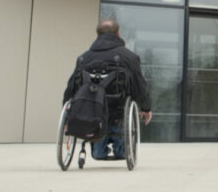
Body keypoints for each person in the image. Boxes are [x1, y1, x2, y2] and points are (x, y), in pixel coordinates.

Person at [62, 19, 152, 160]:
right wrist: (146, 108)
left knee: (98, 152)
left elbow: (72, 86)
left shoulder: (84, 58)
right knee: (119, 118)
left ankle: (99, 150)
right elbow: (138, 84)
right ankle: (119, 149)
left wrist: (68, 115)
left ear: (97, 35)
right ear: (118, 34)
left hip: (91, 112)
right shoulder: (129, 57)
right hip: (118, 110)